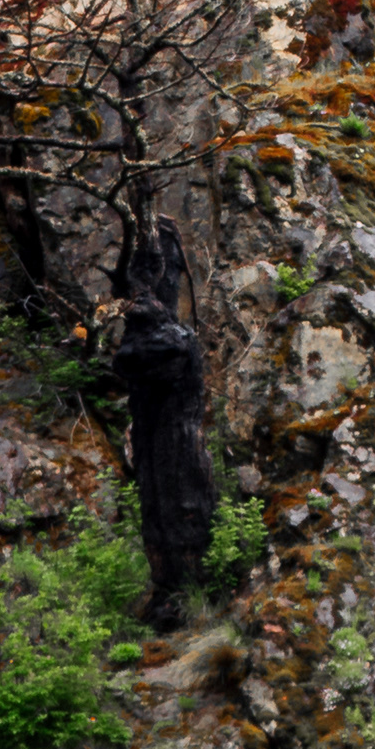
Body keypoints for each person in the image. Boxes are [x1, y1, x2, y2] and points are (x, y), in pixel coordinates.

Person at [111, 216, 216, 627]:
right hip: (158, 432)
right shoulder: (151, 340)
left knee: (178, 493)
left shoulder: (175, 342)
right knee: (159, 492)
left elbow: (153, 352)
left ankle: (189, 595)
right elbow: (132, 357)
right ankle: (172, 595)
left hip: (175, 440)